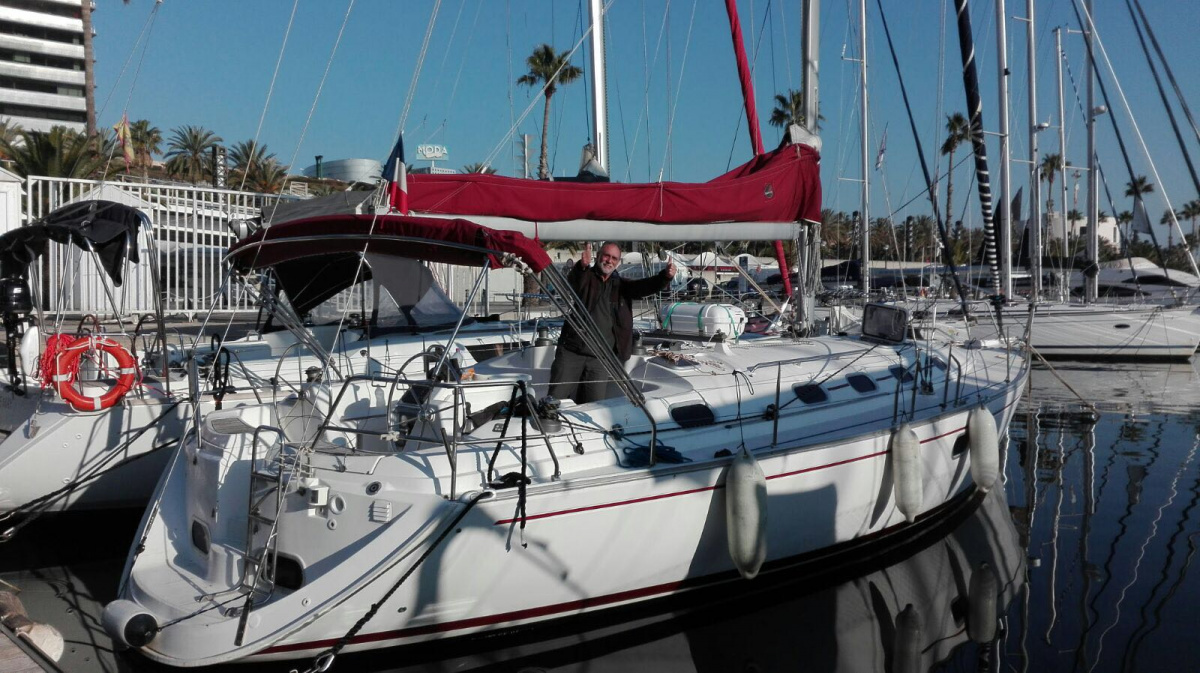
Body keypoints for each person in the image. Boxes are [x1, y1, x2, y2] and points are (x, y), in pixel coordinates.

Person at [549, 242, 675, 403]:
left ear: (618, 262)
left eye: (614, 258)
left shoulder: (621, 286)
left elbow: (643, 287)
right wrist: (582, 266)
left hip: (601, 358)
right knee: (554, 400)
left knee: (594, 405)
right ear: (599, 256)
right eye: (606, 256)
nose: (609, 261)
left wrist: (665, 276)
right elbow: (575, 283)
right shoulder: (586, 277)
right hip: (571, 352)